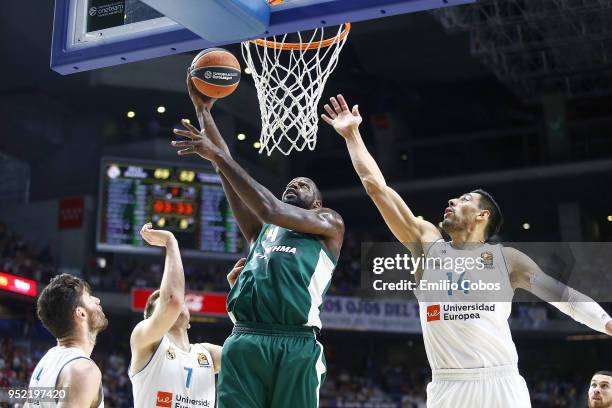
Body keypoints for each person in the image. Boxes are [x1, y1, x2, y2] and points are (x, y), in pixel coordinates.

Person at [321, 94, 612, 408]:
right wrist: (352, 135)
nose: (451, 202)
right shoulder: (426, 243)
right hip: (449, 388)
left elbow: (564, 297)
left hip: (501, 383)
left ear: (482, 215)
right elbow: (376, 187)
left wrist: (606, 323)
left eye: (463, 200)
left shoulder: (508, 259)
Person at [170, 78, 345, 408]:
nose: (294, 186)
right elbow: (230, 180)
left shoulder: (329, 225)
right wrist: (204, 110)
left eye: (303, 185)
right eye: (290, 184)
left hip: (294, 343)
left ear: (318, 204)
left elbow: (268, 206)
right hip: (245, 337)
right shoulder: (262, 233)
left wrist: (219, 158)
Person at [129, 223, 243, 408]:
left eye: (183, 299)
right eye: (160, 298)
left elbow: (248, 353)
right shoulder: (145, 340)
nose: (179, 301)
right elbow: (171, 301)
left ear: (190, 321)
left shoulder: (207, 354)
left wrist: (239, 298)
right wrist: (170, 241)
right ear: (151, 319)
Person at [27, 274, 108, 407]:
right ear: (81, 313)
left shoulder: (46, 361)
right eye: (89, 297)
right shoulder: (82, 370)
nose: (97, 300)